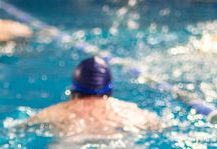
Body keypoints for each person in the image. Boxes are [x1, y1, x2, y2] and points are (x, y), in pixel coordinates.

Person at [19, 56, 161, 137]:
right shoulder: (129, 110)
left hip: (72, 147)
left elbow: (21, 129)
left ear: (73, 89)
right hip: (119, 145)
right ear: (109, 88)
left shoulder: (54, 111)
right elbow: (159, 127)